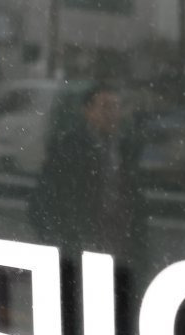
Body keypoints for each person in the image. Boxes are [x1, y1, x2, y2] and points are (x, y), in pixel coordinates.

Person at [27, 83, 145, 253]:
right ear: (87, 110)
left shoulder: (125, 148)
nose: (112, 114)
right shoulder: (69, 148)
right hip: (78, 242)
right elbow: (46, 198)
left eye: (116, 107)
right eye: (106, 107)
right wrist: (61, 239)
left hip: (117, 243)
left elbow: (132, 200)